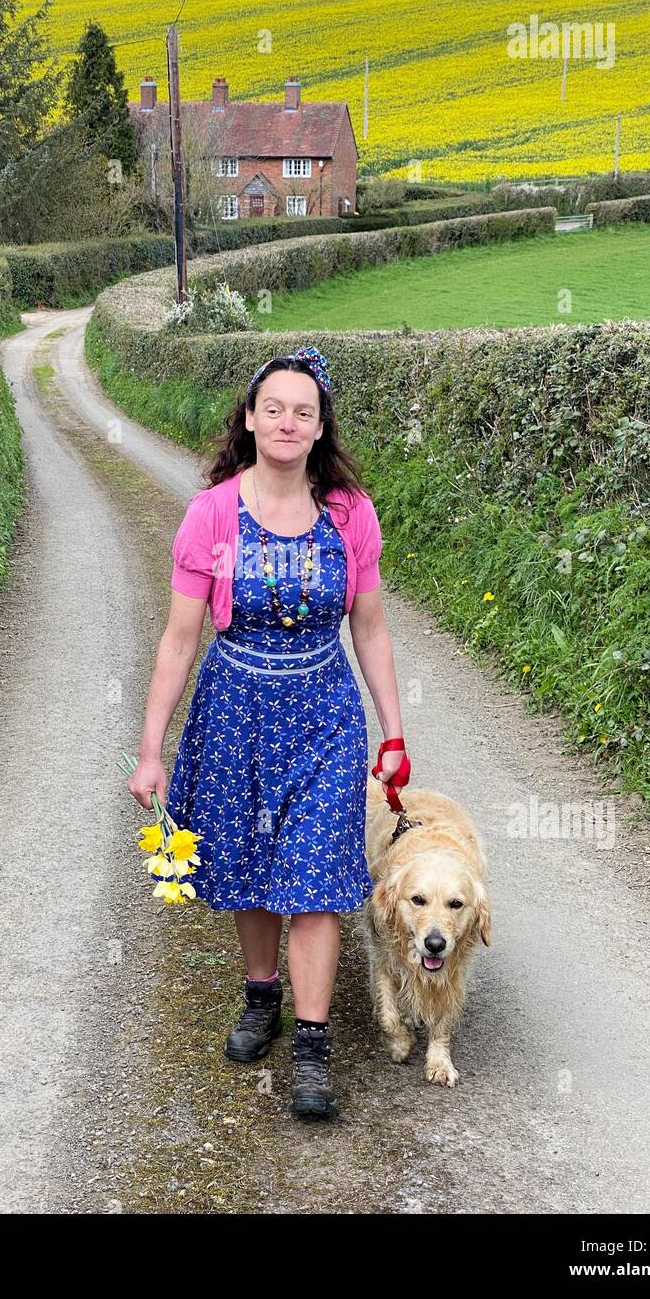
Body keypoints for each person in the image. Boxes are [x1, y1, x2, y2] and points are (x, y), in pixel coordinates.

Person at [126, 344, 409, 1120]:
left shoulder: (350, 513)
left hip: (325, 717)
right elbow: (179, 641)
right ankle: (262, 998)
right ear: (250, 419)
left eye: (303, 412)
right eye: (274, 408)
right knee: (250, 867)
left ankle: (312, 1050)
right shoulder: (211, 514)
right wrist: (152, 750)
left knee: (315, 880)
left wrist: (393, 732)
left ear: (320, 429)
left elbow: (372, 631)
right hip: (234, 713)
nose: (287, 422)